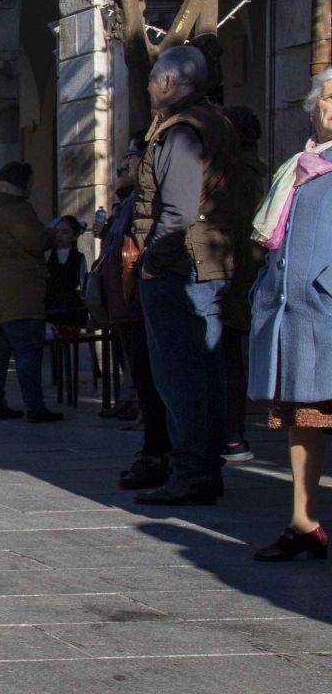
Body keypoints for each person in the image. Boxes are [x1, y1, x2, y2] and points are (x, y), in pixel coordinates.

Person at [131, 45, 244, 506]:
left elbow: (176, 211)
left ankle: (193, 470)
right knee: (204, 370)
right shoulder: (214, 122)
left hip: (182, 268)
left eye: (153, 80)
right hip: (205, 262)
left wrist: (154, 262)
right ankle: (202, 468)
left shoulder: (181, 132)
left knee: (181, 375)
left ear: (167, 83)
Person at [246, 68, 332, 560]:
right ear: (313, 104)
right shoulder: (298, 165)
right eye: (329, 96)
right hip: (295, 314)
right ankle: (303, 522)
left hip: (324, 307)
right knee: (306, 420)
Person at [96, 138, 173, 490]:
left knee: (151, 377)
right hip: (126, 301)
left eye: (131, 154)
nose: (125, 160)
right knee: (142, 376)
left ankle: (159, 453)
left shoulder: (147, 195)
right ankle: (154, 449)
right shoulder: (127, 200)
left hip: (139, 299)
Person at [0, 162, 62, 422]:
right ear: (22, 182)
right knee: (27, 349)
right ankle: (35, 407)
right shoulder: (16, 208)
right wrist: (52, 235)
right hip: (17, 290)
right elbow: (36, 240)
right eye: (31, 182)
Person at [221, 105, 268, 463]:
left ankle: (233, 437)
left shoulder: (237, 175)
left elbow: (235, 231)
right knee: (227, 356)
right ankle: (232, 435)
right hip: (239, 273)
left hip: (233, 274)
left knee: (225, 358)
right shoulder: (248, 172)